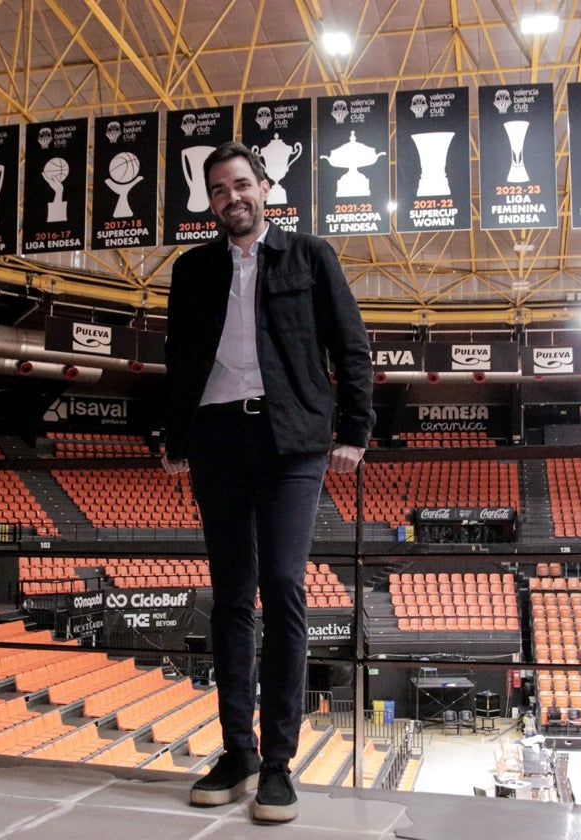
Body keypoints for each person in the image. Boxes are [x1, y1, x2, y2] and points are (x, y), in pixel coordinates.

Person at [162, 140, 374, 822]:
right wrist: (174, 438)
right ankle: (237, 750)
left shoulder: (311, 257)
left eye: (242, 184)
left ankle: (279, 761)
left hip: (292, 442)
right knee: (229, 597)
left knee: (282, 586)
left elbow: (351, 346)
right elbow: (178, 359)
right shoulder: (192, 269)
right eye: (220, 190)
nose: (233, 198)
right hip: (218, 438)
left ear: (265, 188)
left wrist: (356, 431)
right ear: (211, 201)